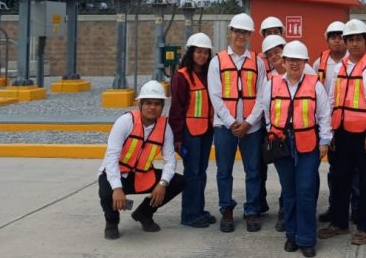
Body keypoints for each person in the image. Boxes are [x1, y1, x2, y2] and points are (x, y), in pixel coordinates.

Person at [318, 18, 366, 246]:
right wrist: (329, 132)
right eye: (350, 39)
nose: (354, 43)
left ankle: (364, 227)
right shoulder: (340, 67)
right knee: (340, 179)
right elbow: (331, 100)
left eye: (358, 39)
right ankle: (339, 223)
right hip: (341, 132)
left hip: (365, 133)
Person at [260, 41, 332, 258]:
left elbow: (324, 115)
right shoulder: (272, 84)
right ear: (284, 62)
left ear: (305, 63)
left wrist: (324, 141)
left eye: (299, 60)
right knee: (289, 192)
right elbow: (266, 110)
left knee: (306, 191)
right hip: (282, 146)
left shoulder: (315, 84)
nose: (294, 64)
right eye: (290, 60)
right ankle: (291, 236)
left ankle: (307, 239)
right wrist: (271, 130)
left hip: (308, 145)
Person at [98, 81, 185, 240]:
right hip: (117, 174)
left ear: (162, 106)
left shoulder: (165, 127)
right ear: (140, 104)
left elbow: (170, 160)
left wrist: (162, 183)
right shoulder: (126, 121)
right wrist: (117, 188)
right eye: (148, 103)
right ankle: (111, 222)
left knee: (178, 181)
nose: (152, 107)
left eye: (157, 104)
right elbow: (111, 158)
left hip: (143, 175)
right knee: (106, 192)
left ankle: (144, 213)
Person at [208, 13, 268, 233]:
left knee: (253, 171)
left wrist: (249, 122)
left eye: (245, 32)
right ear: (230, 32)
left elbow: (262, 96)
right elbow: (215, 96)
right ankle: (226, 209)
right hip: (225, 126)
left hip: (252, 127)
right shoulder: (217, 61)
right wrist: (232, 122)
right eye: (237, 31)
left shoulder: (257, 62)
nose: (241, 35)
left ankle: (251, 210)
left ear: (250, 35)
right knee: (224, 171)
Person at [168, 33, 216, 228]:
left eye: (205, 52)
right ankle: (189, 215)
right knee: (192, 173)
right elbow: (176, 110)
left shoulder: (207, 75)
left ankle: (198, 210)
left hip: (206, 131)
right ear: (191, 53)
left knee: (201, 172)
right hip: (189, 133)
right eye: (199, 52)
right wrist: (177, 138)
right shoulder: (181, 76)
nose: (202, 56)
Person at [314, 20, 358, 224]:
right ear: (327, 40)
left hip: (353, 121)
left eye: (341, 37)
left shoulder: (355, 61)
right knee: (335, 170)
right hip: (329, 123)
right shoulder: (319, 63)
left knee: (355, 170)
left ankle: (356, 209)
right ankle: (335, 208)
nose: (338, 41)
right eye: (333, 37)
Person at [262, 32, 288, 231]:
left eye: (277, 51)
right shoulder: (269, 80)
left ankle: (301, 210)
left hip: (303, 134)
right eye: (269, 54)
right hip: (279, 136)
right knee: (285, 177)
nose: (274, 57)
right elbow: (266, 108)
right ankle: (285, 210)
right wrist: (271, 130)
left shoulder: (304, 71)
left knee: (304, 177)